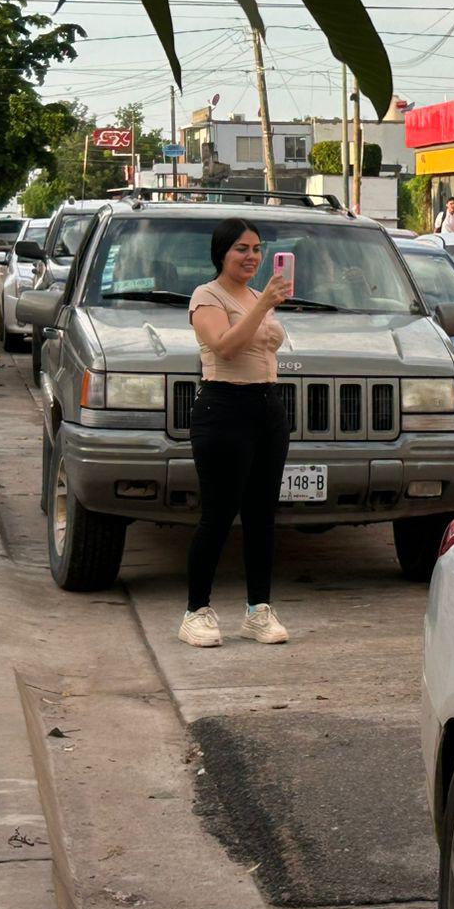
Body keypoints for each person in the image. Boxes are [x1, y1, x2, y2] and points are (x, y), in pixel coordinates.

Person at [182, 218, 293, 649]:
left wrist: (263, 302)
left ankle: (258, 611)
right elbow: (226, 346)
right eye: (241, 249)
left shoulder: (253, 295)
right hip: (223, 408)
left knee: (262, 516)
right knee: (218, 514)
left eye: (257, 249)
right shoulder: (207, 296)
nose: (251, 257)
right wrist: (264, 304)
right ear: (221, 253)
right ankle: (196, 611)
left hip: (266, 409)